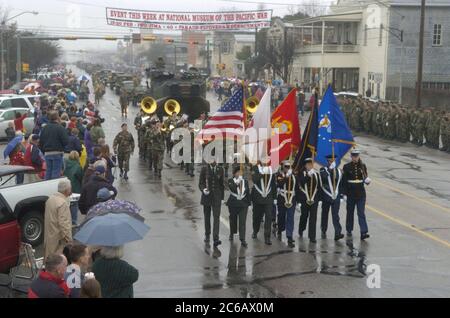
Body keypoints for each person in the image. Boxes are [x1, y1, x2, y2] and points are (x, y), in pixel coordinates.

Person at [342, 149, 371, 240]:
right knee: (350, 213)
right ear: (351, 157)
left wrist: (367, 181)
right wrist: (344, 194)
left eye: (357, 156)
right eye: (354, 156)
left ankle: (364, 232)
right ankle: (349, 229)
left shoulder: (362, 166)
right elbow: (344, 182)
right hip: (350, 193)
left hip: (361, 193)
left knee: (361, 213)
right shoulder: (346, 167)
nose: (355, 158)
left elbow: (365, 177)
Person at [44, 180, 73, 260]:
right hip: (58, 239)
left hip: (49, 235)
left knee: (49, 258)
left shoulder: (50, 199)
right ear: (66, 190)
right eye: (70, 189)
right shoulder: (63, 203)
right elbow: (64, 223)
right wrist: (69, 239)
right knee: (57, 261)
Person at [251, 159, 277, 245]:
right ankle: (255, 230)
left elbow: (273, 184)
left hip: (268, 197)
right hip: (258, 197)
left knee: (269, 217)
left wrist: (275, 197)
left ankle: (267, 237)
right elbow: (254, 179)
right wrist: (261, 173)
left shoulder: (271, 169)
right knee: (257, 217)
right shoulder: (255, 168)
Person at [199, 161, 225, 247]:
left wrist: (222, 198)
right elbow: (201, 183)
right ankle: (207, 234)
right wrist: (203, 189)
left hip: (216, 196)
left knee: (216, 217)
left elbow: (221, 185)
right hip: (207, 196)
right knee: (207, 216)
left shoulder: (220, 169)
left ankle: (216, 238)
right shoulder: (204, 169)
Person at [319, 155, 344, 241]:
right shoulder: (323, 169)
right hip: (326, 196)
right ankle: (323, 228)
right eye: (330, 161)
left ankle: (338, 232)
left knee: (335, 215)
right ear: (327, 161)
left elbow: (340, 184)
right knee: (325, 214)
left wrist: (341, 196)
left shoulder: (339, 171)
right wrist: (330, 169)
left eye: (333, 161)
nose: (331, 162)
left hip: (335, 196)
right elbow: (324, 176)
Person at [39, 111, 69, 180]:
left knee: (48, 172)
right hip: (57, 152)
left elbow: (41, 142)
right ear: (58, 118)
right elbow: (66, 141)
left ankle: (47, 187)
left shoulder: (45, 128)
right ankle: (53, 188)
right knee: (55, 173)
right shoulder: (60, 128)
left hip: (47, 153)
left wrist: (44, 151)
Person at [226, 166, 250, 247]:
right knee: (233, 220)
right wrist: (237, 183)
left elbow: (247, 192)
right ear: (234, 173)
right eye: (238, 172)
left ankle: (242, 239)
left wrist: (249, 203)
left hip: (243, 204)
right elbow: (232, 189)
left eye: (240, 172)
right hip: (233, 203)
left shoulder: (245, 182)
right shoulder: (230, 181)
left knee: (242, 222)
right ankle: (232, 233)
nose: (239, 174)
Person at [297, 158, 320, 243]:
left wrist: (319, 199)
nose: (310, 166)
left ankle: (312, 236)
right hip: (304, 199)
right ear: (305, 165)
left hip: (314, 199)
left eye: (311, 164)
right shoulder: (301, 173)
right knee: (304, 216)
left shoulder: (316, 173)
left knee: (313, 218)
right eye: (308, 164)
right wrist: (308, 175)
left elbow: (319, 186)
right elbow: (301, 182)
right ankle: (301, 228)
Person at [276, 161, 297, 248]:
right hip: (282, 198)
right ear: (282, 167)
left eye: (289, 166)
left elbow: (298, 186)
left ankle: (289, 236)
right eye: (286, 166)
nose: (287, 168)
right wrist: (286, 177)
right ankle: (280, 229)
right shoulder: (279, 175)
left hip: (292, 198)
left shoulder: (293, 175)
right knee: (281, 216)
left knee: (290, 217)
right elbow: (280, 184)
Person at [64, 151, 83, 225]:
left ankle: (67, 221)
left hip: (65, 188)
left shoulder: (65, 164)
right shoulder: (78, 166)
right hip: (75, 189)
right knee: (74, 206)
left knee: (66, 205)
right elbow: (81, 177)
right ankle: (74, 222)